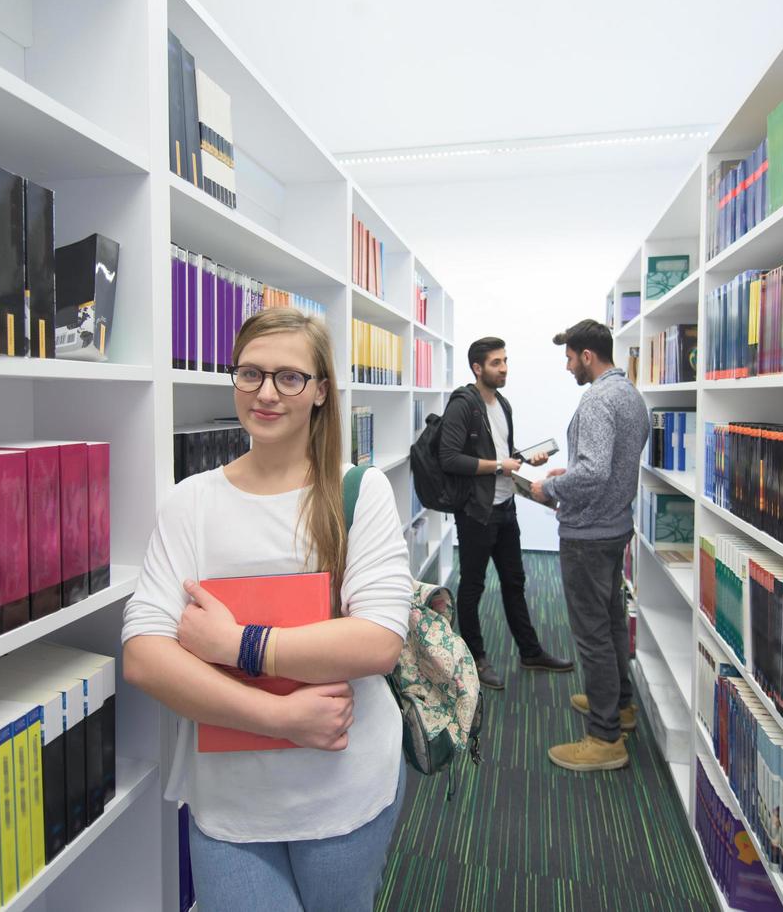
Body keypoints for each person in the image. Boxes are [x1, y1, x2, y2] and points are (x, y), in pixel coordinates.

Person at [121, 307, 413, 911]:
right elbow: (144, 657)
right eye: (249, 374)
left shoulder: (360, 491)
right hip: (230, 799)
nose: (266, 393)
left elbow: (378, 641)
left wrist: (236, 645)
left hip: (343, 782)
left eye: (290, 377)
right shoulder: (190, 503)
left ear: (321, 391)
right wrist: (279, 718)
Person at [530, 319, 650, 771]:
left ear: (586, 355)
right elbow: (610, 466)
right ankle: (619, 705)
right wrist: (570, 474)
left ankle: (605, 739)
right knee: (612, 622)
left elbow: (596, 471)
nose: (566, 367)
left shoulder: (597, 399)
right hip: (615, 525)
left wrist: (551, 490)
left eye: (569, 357)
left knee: (592, 634)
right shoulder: (631, 395)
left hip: (588, 534)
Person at [437, 336, 573, 689]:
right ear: (477, 368)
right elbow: (449, 458)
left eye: (506, 361)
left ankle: (530, 651)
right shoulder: (462, 405)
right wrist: (500, 464)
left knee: (515, 582)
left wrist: (525, 458)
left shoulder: (503, 404)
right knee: (473, 586)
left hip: (505, 507)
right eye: (496, 363)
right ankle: (474, 659)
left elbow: (502, 451)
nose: (504, 369)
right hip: (476, 512)